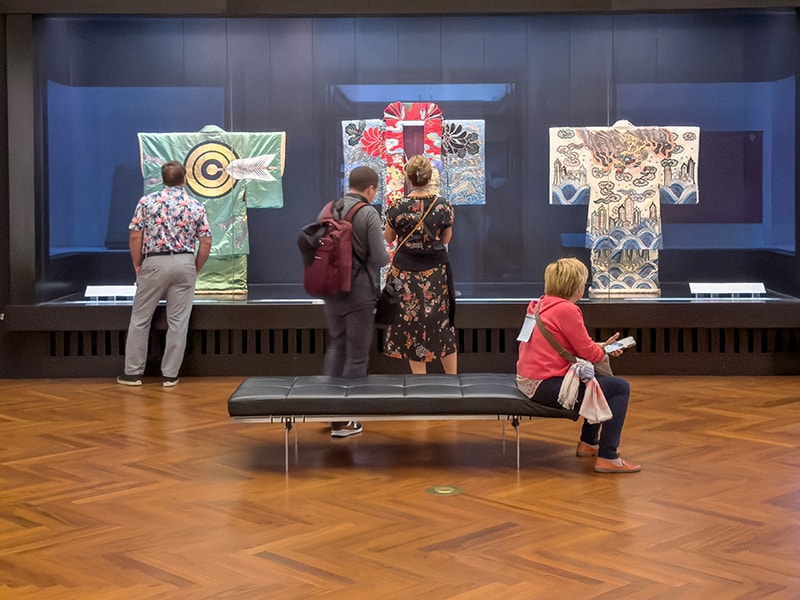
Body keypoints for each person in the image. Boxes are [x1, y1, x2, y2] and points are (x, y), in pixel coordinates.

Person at [515, 257, 641, 473]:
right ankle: (609, 456)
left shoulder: (540, 304)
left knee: (598, 383)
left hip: (528, 380)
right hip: (544, 386)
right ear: (575, 286)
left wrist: (601, 347)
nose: (585, 286)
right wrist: (603, 349)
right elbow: (588, 352)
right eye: (583, 282)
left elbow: (570, 346)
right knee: (619, 388)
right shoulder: (567, 310)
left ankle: (589, 443)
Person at [117, 161, 212, 387]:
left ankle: (133, 373)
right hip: (185, 262)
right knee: (178, 322)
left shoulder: (147, 202)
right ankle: (170, 375)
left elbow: (134, 237)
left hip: (154, 262)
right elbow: (206, 241)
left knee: (141, 319)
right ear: (185, 178)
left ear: (162, 179)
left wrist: (138, 265)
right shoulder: (196, 204)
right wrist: (194, 267)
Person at [321, 166, 390, 437]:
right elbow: (380, 258)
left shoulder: (328, 209)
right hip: (359, 292)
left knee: (336, 347)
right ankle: (347, 419)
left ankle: (330, 412)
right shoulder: (367, 213)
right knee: (358, 355)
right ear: (371, 189)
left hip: (330, 289)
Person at [384, 155, 457, 375]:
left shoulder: (397, 206)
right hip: (436, 273)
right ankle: (452, 381)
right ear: (429, 177)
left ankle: (420, 384)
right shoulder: (443, 206)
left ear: (408, 178)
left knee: (412, 325)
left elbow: (389, 238)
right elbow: (445, 240)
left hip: (405, 273)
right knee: (442, 323)